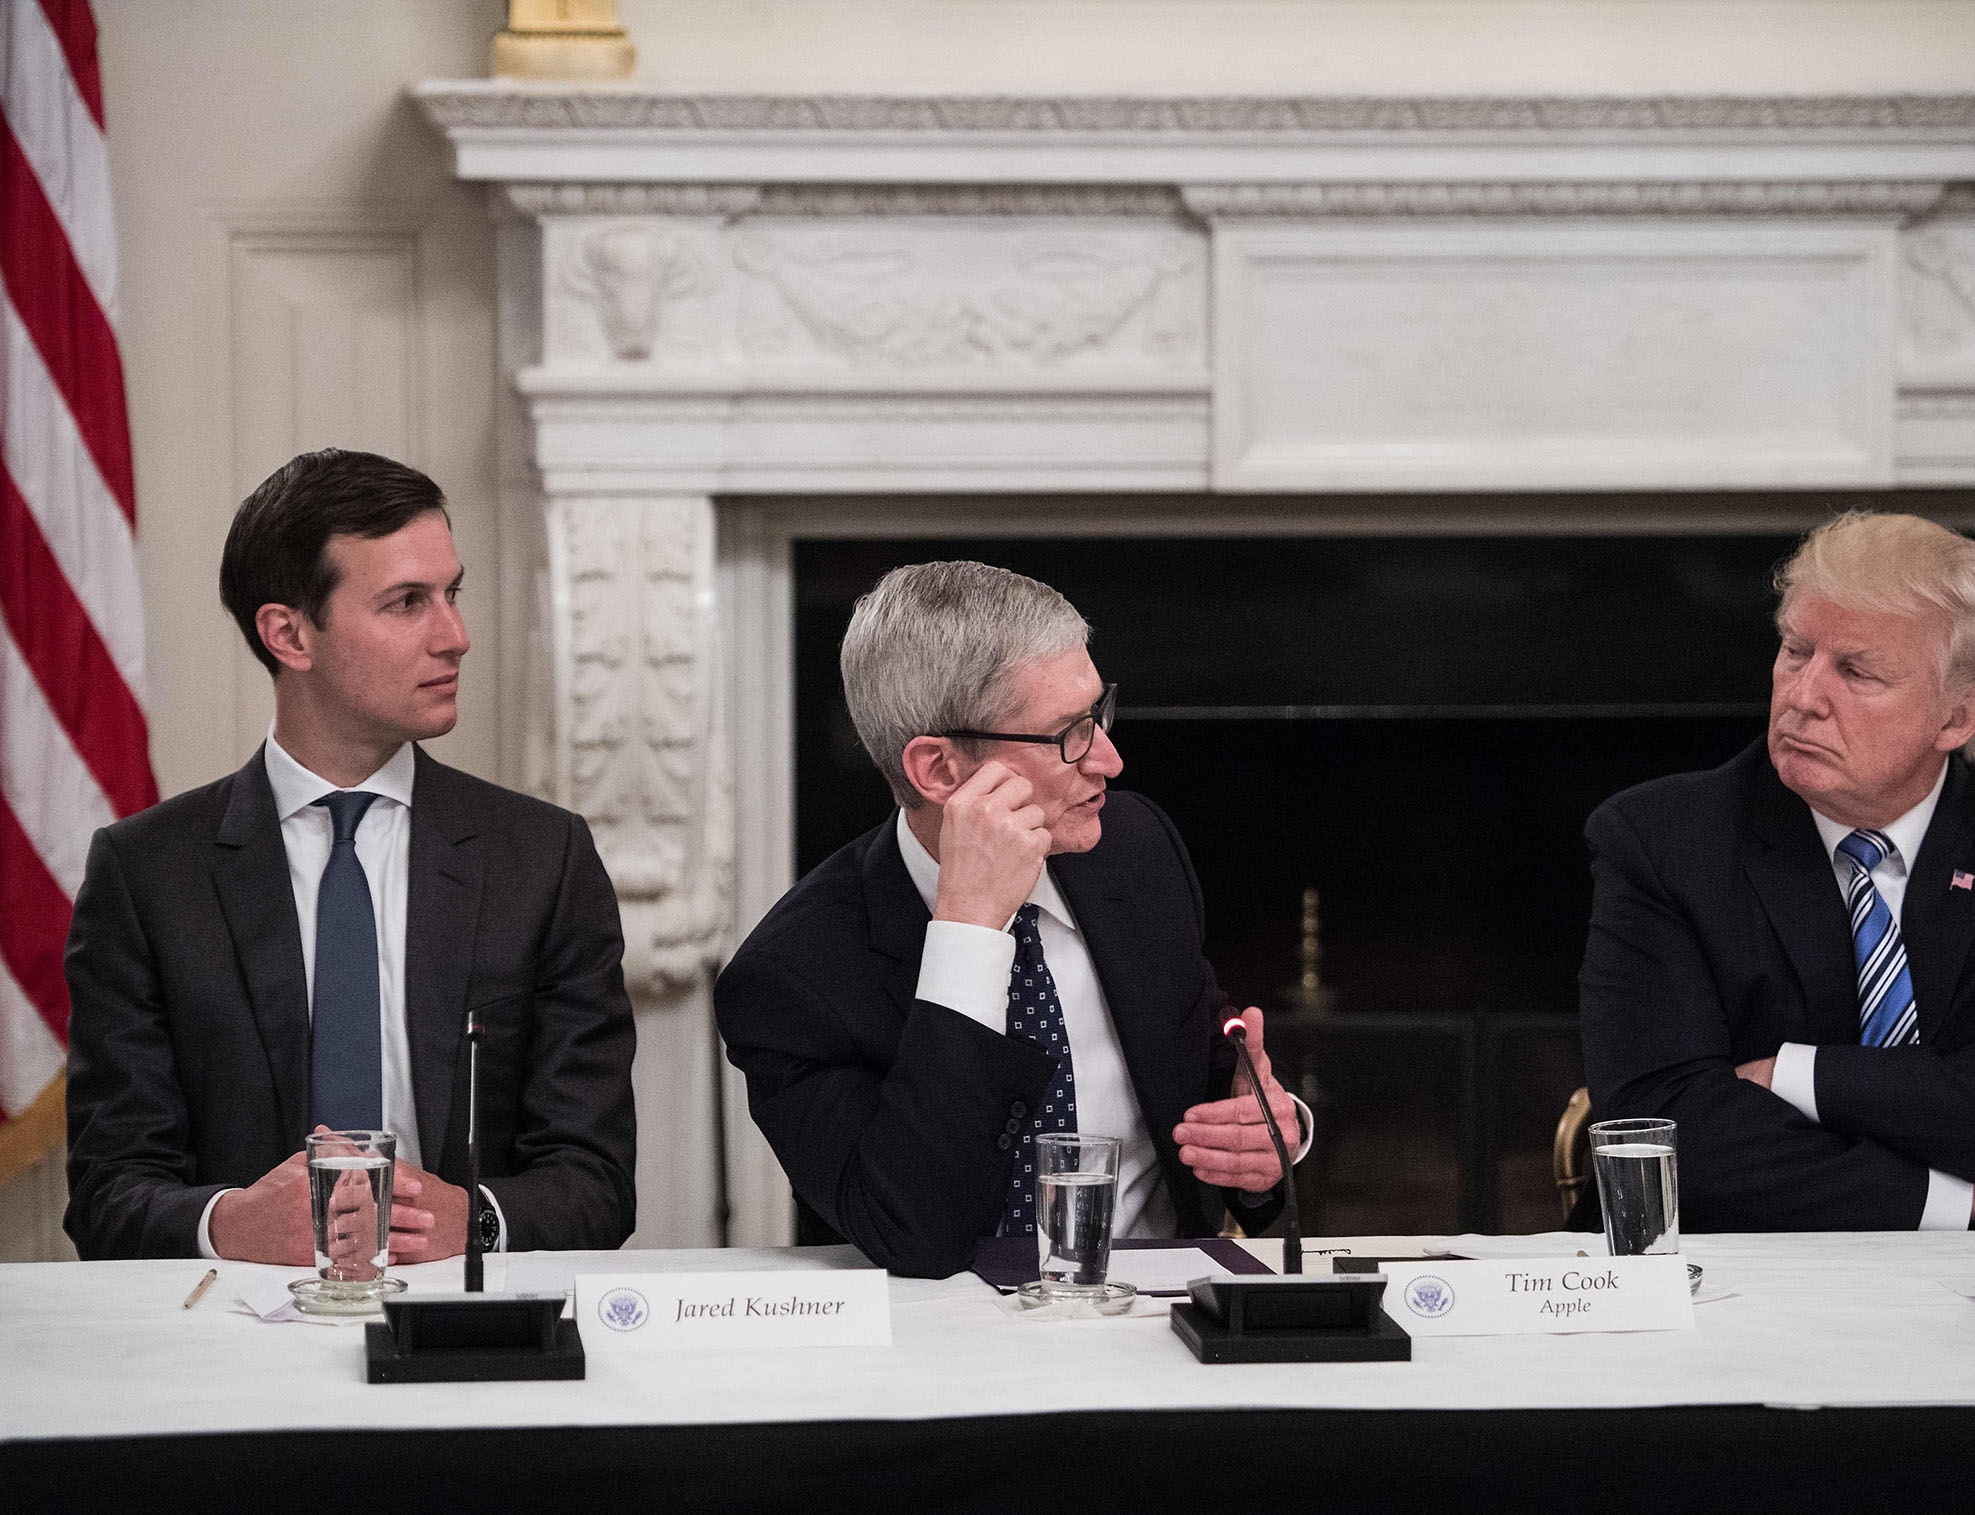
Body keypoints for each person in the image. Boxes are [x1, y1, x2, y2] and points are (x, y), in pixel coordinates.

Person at [65, 449, 637, 1262]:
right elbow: (107, 1192)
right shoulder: (146, 875)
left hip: (465, 1319)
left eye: (452, 593)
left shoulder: (543, 860)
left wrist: (473, 1221)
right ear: (289, 634)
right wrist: (228, 1222)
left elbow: (598, 1181)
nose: (456, 636)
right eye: (407, 603)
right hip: (234, 1319)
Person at [715, 561, 1307, 1277]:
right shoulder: (791, 978)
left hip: (1157, 1306)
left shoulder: (1134, 849)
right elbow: (913, 1233)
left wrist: (1265, 1137)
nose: (1110, 759)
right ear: (939, 770)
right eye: (1068, 734)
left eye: (1098, 713)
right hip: (938, 1332)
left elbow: (1208, 1067)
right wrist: (969, 931)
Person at [1578, 511, 1975, 1231]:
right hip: (1746, 1267)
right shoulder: (1662, 840)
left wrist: (1796, 1074)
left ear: (1956, 719)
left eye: (1857, 671)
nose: (1803, 696)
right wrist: (1956, 1200)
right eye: (1796, 651)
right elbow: (1660, 1129)